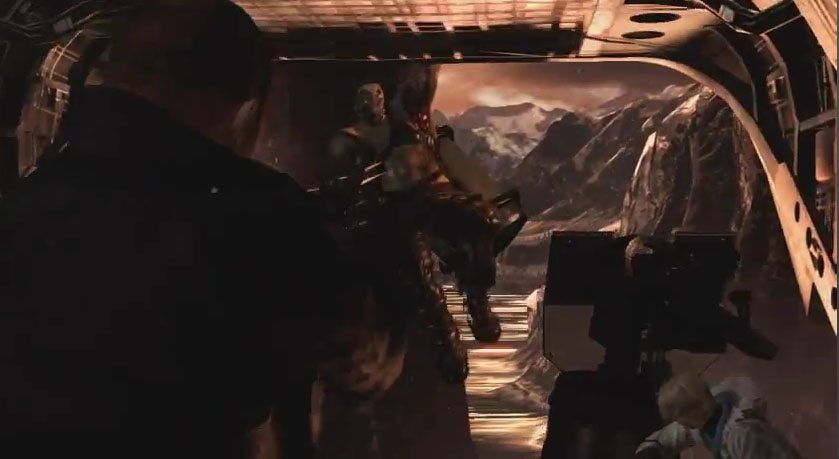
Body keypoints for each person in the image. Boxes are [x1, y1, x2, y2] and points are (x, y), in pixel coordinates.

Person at [0, 1, 401, 458]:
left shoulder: (27, 201)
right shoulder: (258, 214)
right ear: (245, 102)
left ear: (114, 71)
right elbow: (363, 361)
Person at [635, 373, 802, 459]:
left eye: (680, 417)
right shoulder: (707, 417)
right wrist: (650, 449)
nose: (680, 423)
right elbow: (674, 434)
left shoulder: (741, 433)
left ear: (693, 410)